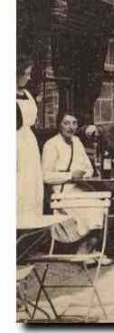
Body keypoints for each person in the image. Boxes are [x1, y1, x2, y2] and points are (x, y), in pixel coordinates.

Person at [41, 112, 107, 259]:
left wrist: (85, 174)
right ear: (59, 125)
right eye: (66, 123)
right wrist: (70, 175)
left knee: (101, 205)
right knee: (91, 207)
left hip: (79, 188)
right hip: (61, 192)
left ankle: (89, 249)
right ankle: (84, 250)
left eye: (74, 123)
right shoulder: (51, 145)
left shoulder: (77, 141)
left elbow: (88, 167)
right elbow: (46, 176)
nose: (71, 127)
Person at [17, 59, 44, 221]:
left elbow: (32, 119)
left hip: (29, 142)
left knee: (31, 182)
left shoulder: (27, 94)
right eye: (26, 74)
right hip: (15, 142)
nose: (29, 78)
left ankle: (31, 221)